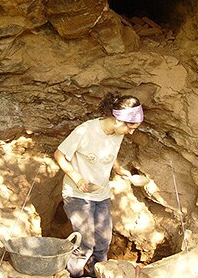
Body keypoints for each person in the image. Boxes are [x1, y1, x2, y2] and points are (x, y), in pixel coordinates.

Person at [54, 92, 144, 277]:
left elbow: (111, 153)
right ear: (118, 120)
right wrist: (76, 177)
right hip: (77, 194)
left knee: (103, 243)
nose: (131, 132)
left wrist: (119, 169)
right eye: (131, 127)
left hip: (101, 194)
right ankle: (72, 274)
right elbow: (59, 154)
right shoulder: (85, 130)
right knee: (84, 244)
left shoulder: (118, 134)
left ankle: (97, 273)